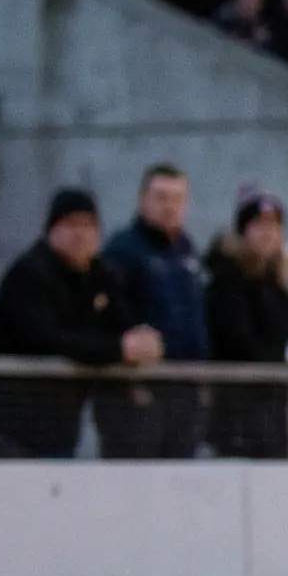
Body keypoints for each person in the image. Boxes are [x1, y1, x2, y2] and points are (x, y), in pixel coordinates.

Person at [0, 189, 162, 458]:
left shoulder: (100, 275)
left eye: (88, 225)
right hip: (0, 423)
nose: (80, 234)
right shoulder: (29, 274)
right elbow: (50, 338)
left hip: (56, 425)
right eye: (70, 224)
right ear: (51, 230)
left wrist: (143, 340)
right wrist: (120, 348)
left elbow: (123, 325)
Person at [100, 163, 210, 457]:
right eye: (161, 197)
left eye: (177, 199)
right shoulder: (123, 250)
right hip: (140, 394)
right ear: (142, 200)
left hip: (184, 390)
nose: (170, 207)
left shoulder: (186, 249)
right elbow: (110, 316)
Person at [203, 188, 288, 459]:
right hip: (238, 409)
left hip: (274, 410)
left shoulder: (282, 287)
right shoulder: (228, 282)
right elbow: (237, 339)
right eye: (259, 225)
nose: (268, 233)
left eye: (274, 226)